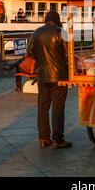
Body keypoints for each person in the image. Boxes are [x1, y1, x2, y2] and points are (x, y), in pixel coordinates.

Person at [28, 10, 71, 149]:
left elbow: (30, 52)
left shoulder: (36, 32)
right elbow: (68, 54)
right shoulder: (61, 33)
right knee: (58, 108)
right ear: (57, 20)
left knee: (43, 107)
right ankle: (58, 139)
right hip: (59, 76)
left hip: (42, 76)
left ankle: (43, 138)